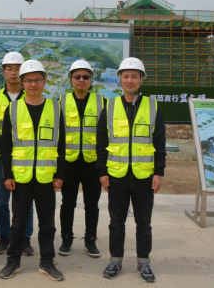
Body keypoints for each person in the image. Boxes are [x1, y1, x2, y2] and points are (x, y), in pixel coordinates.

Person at [96, 57, 166, 283]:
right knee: (116, 222)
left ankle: (143, 262)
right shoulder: (110, 106)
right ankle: (115, 260)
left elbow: (160, 142)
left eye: (134, 76)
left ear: (141, 79)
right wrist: (102, 171)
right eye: (125, 76)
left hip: (144, 176)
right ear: (119, 79)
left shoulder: (153, 106)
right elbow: (101, 142)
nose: (129, 80)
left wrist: (158, 172)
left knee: (143, 223)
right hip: (116, 175)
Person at [0, 60, 66, 282]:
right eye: (28, 80)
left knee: (47, 224)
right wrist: (7, 174)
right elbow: (5, 145)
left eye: (37, 79)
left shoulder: (55, 108)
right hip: (21, 178)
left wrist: (60, 174)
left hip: (47, 177)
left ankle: (47, 262)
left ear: (44, 81)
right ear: (22, 82)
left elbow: (61, 144)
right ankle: (13, 261)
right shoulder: (13, 109)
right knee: (18, 223)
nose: (33, 84)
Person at [58, 60, 104, 257]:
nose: (81, 80)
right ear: (71, 79)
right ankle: (66, 239)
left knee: (92, 205)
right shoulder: (60, 102)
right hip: (69, 163)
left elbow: (105, 135)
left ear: (91, 79)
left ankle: (90, 240)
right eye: (77, 76)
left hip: (92, 163)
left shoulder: (102, 102)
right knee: (68, 204)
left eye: (86, 76)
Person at [0, 52, 35, 256]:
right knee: (2, 200)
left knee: (26, 201)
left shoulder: (31, 98)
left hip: (25, 158)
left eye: (17, 68)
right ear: (3, 71)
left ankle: (25, 238)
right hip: (1, 157)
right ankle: (4, 236)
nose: (13, 72)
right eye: (9, 68)